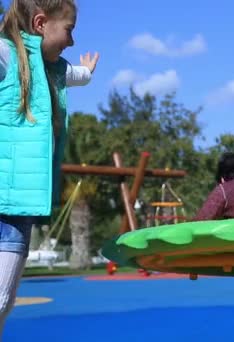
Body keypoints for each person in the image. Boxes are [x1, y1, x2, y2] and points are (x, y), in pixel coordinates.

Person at [0, 0, 99, 336]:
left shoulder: (53, 70)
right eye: (68, 30)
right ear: (41, 23)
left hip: (18, 206)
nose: (72, 41)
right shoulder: (6, 55)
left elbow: (76, 75)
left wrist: (87, 73)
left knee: (3, 301)